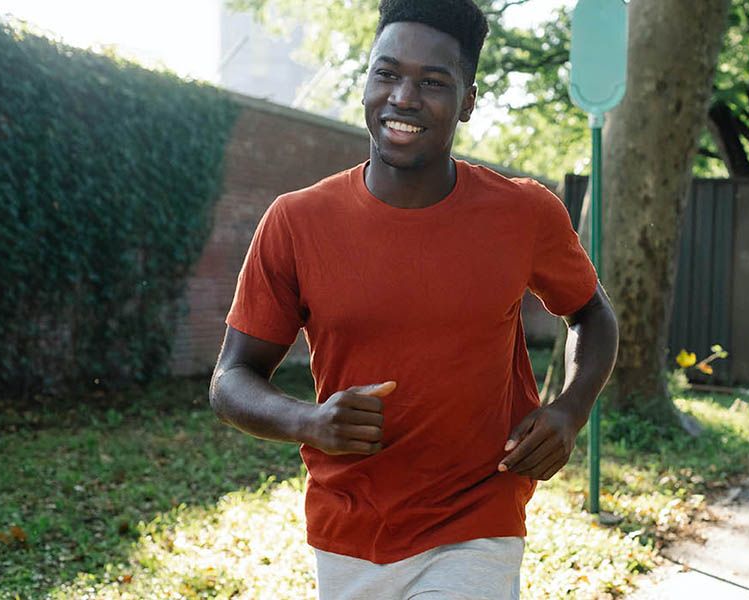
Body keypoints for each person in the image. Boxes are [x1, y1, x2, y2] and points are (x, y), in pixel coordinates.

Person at [208, 1, 619, 597]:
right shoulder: (297, 221)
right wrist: (309, 421)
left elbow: (592, 313)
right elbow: (230, 379)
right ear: (367, 81)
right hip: (347, 525)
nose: (404, 96)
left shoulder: (523, 212)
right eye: (387, 73)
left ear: (468, 102)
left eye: (433, 82)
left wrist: (570, 409)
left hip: (477, 516)